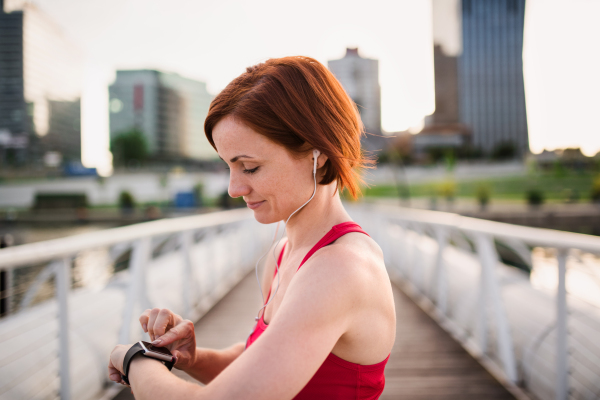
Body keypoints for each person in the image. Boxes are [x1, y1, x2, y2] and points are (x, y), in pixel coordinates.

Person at [108, 56, 396, 399]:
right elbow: (264, 364)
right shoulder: (283, 254)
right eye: (229, 166)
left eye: (250, 167)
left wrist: (132, 358)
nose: (234, 189)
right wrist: (192, 359)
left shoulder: (340, 270)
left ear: (318, 156)